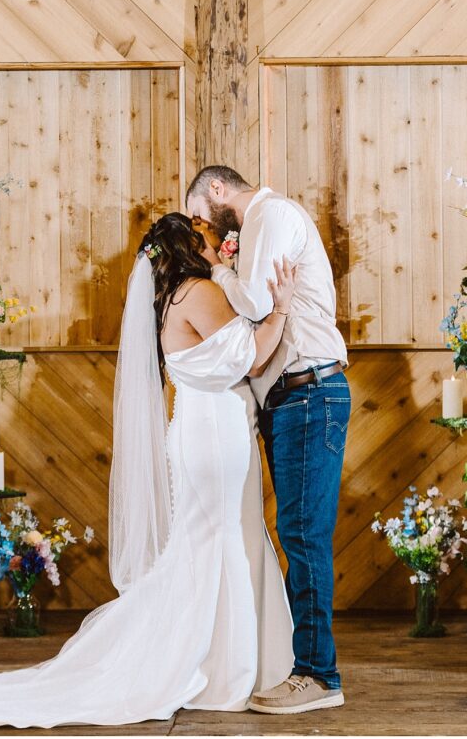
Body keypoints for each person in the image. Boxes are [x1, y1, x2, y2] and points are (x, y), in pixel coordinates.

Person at [0, 213, 295, 728]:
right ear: (191, 246)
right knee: (220, 538)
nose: (218, 246)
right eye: (209, 238)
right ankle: (222, 670)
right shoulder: (199, 292)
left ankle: (216, 657)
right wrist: (278, 309)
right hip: (215, 432)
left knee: (206, 540)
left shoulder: (169, 299)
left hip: (195, 427)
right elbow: (253, 359)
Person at [186, 166, 349, 715]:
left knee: (303, 535)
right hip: (291, 396)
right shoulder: (258, 223)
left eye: (203, 220)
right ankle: (308, 666)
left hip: (310, 390)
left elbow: (257, 303)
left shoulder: (270, 215)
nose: (208, 234)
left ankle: (318, 675)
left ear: (216, 190)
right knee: (296, 533)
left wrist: (220, 271)